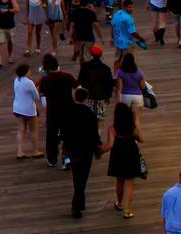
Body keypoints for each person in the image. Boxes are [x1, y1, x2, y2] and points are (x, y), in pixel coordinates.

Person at [59, 85, 103, 219]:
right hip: (86, 149)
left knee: (77, 175)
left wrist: (64, 146)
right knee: (83, 176)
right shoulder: (90, 114)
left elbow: (63, 131)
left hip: (72, 148)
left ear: (74, 97)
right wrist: (97, 149)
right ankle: (77, 204)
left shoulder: (67, 112)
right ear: (86, 99)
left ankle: (79, 202)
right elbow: (94, 135)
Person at [105, 98, 144, 217]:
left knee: (120, 181)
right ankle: (127, 210)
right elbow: (142, 139)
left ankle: (119, 202)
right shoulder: (132, 126)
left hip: (118, 152)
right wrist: (137, 123)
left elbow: (110, 145)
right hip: (131, 151)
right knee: (130, 182)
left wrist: (100, 151)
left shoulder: (113, 128)